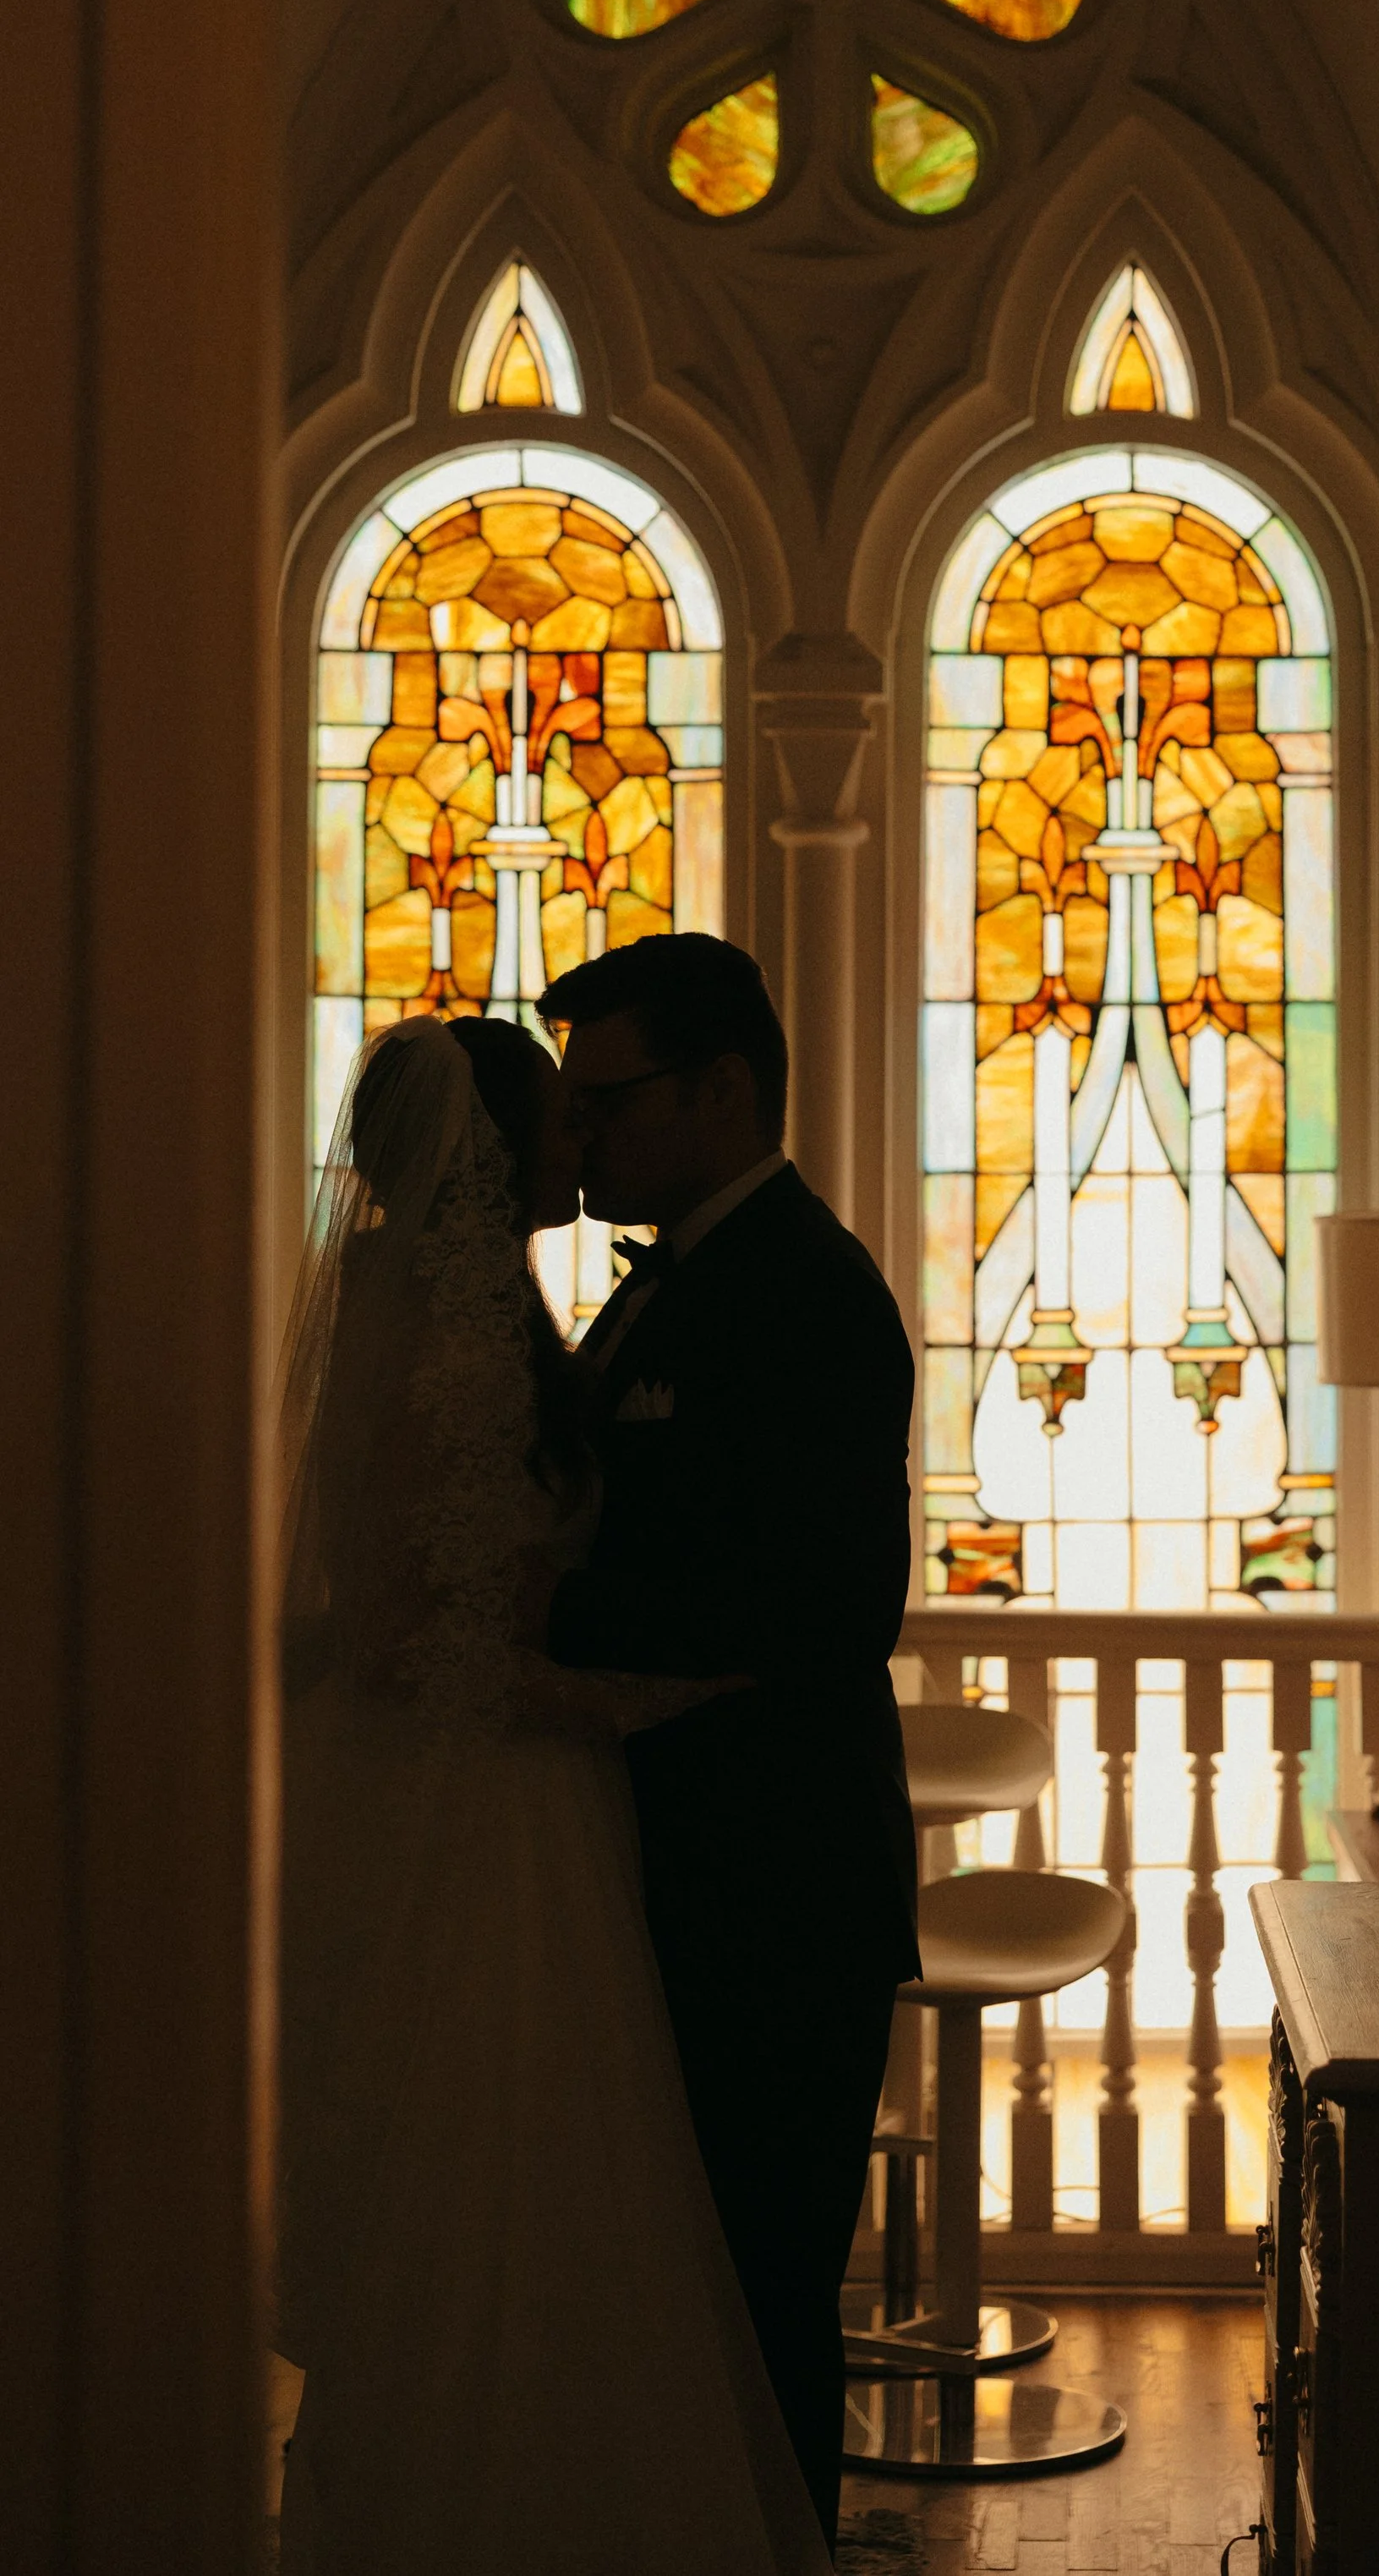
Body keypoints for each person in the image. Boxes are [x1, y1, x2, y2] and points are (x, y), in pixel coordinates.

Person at [275, 1011, 827, 2576]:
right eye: (563, 1121)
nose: (587, 1142)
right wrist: (616, 1697)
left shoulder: (479, 1301)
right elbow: (402, 1630)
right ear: (499, 1153)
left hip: (528, 1799)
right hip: (476, 1809)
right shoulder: (435, 1322)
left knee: (553, 2190)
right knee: (480, 2168)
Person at [532, 935, 919, 2554]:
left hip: (772, 1893)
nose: (580, 1139)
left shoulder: (812, 1293)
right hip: (662, 1883)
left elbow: (828, 1605)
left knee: (759, 2309)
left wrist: (537, 1640)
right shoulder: (666, 1282)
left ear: (725, 1089)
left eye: (608, 1100)